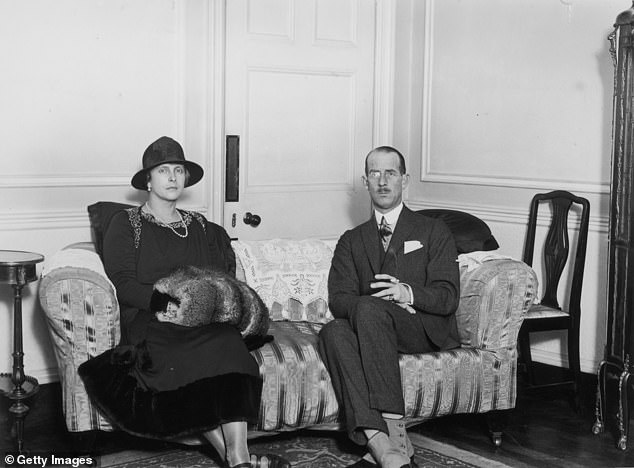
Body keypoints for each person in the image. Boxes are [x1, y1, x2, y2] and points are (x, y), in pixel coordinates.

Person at [78, 136, 289, 468]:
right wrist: (167, 306)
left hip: (199, 320)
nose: (173, 177)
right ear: (148, 180)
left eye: (179, 170)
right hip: (150, 318)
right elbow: (124, 283)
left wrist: (213, 308)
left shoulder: (201, 227)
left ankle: (239, 456)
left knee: (227, 344)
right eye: (164, 171)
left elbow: (213, 280)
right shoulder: (127, 224)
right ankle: (235, 458)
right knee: (184, 357)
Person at [318, 146, 461, 468]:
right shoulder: (351, 240)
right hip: (373, 327)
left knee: (368, 309)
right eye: (375, 173)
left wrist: (405, 293)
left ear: (404, 180)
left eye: (391, 173)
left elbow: (448, 296)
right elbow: (339, 300)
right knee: (333, 331)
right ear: (365, 181)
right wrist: (377, 306)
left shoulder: (433, 230)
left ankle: (394, 432)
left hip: (420, 327)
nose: (382, 181)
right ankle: (381, 442)